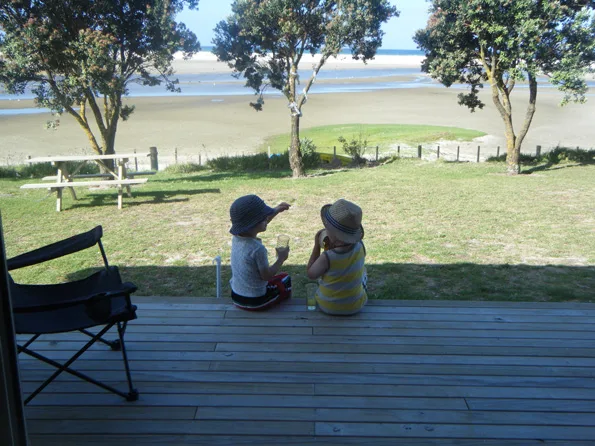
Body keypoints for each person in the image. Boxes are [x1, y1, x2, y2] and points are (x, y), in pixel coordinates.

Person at [229, 194, 292, 311]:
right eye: (263, 217)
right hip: (257, 301)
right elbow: (267, 276)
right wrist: (281, 258)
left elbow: (260, 223)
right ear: (253, 223)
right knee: (285, 279)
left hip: (236, 297)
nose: (266, 219)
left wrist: (276, 210)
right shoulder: (257, 249)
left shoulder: (237, 238)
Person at [306, 199, 368, 315]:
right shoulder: (360, 245)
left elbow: (311, 274)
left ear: (333, 234)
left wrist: (316, 245)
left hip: (328, 307)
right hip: (356, 306)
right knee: (363, 272)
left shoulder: (328, 257)